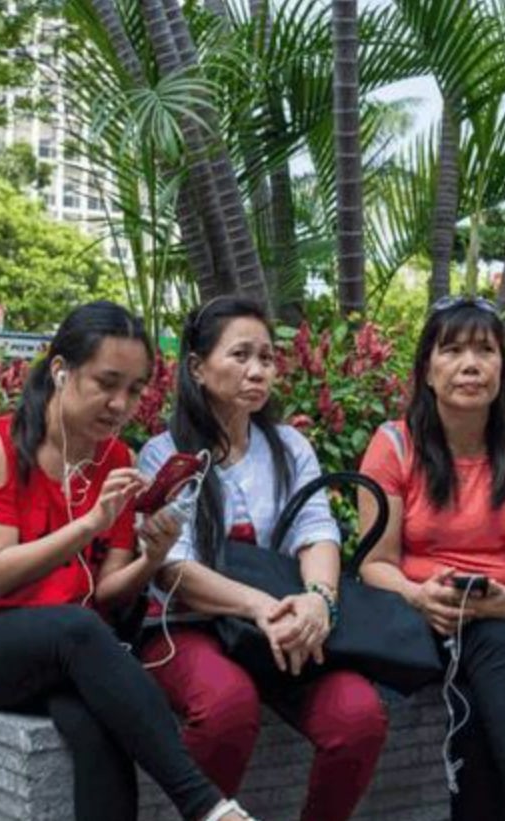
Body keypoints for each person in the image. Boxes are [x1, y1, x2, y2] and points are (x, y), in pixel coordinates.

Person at [0, 300, 254, 821]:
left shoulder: (117, 460)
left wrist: (152, 557)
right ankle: (206, 807)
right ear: (61, 371)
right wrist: (87, 524)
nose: (120, 404)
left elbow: (107, 590)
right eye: (106, 383)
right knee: (80, 628)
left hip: (73, 651)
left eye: (134, 390)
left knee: (97, 729)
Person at [136, 297, 387, 821]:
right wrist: (261, 608)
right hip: (189, 628)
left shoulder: (289, 446)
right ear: (198, 368)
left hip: (282, 624)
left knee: (357, 716)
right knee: (226, 709)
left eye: (267, 358)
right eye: (241, 355)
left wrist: (319, 602)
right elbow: (171, 568)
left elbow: (316, 531)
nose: (257, 371)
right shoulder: (165, 455)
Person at [357, 296, 505, 821]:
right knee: (487, 651)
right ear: (427, 369)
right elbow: (374, 563)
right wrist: (417, 595)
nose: (470, 364)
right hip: (422, 615)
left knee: (485, 665)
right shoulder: (394, 446)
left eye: (484, 350)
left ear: (502, 367)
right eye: (451, 350)